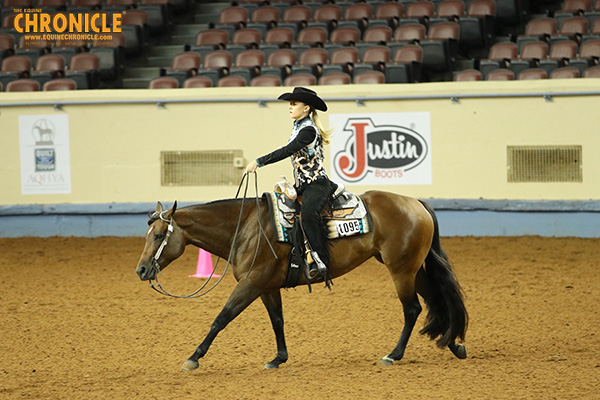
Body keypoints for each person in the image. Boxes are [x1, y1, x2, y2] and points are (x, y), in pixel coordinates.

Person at [245, 87, 335, 280]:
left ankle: (321, 261)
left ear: (306, 108)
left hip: (317, 184)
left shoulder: (308, 130)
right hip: (303, 185)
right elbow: (287, 149)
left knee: (308, 215)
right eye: (290, 104)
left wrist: (258, 162)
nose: (290, 107)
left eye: (294, 104)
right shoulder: (298, 128)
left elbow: (287, 150)